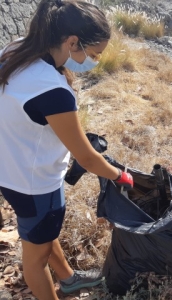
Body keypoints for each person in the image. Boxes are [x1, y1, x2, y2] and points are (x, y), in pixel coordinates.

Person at [0, 0, 133, 299]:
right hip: (35, 184)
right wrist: (120, 176)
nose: (94, 61)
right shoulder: (52, 90)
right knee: (35, 258)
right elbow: (86, 156)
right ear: (73, 42)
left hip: (10, 166)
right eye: (94, 53)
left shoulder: (17, 49)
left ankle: (69, 278)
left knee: (43, 236)